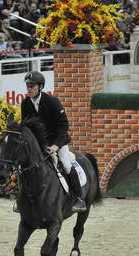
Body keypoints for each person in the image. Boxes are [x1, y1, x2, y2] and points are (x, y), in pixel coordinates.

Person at [20, 71, 86, 213]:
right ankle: (22, 199)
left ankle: (79, 198)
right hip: (39, 144)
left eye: (32, 86)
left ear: (40, 87)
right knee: (24, 166)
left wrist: (56, 145)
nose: (29, 89)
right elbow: (25, 126)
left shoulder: (52, 102)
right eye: (27, 86)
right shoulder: (25, 104)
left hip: (57, 141)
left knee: (66, 165)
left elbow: (64, 125)